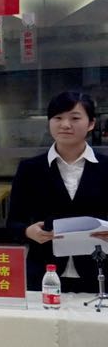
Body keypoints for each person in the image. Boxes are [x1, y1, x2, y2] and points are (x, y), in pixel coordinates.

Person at [8, 91, 108, 293]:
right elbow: (13, 223)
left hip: (99, 274)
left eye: (75, 118)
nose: (65, 125)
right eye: (58, 118)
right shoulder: (30, 169)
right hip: (44, 274)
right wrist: (28, 232)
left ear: (91, 124)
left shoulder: (106, 167)